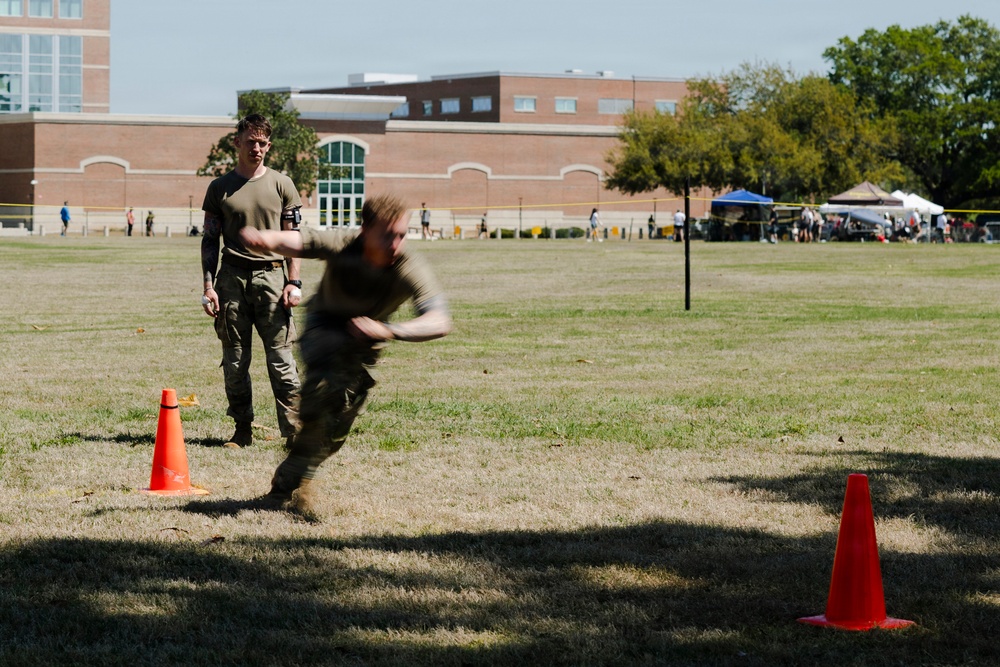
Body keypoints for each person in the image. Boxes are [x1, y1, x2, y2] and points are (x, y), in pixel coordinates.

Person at [239, 192, 452, 514]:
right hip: (324, 328)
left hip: (365, 342)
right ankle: (285, 485)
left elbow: (440, 321)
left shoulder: (408, 265)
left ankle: (298, 463)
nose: (395, 244)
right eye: (386, 236)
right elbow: (299, 241)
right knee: (327, 393)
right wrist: (262, 238)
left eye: (401, 235)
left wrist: (391, 331)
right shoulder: (344, 243)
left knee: (332, 432)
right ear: (365, 230)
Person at [200, 113, 303, 449]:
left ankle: (294, 433)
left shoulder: (282, 184)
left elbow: (293, 238)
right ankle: (242, 429)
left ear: (268, 146)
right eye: (250, 142)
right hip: (231, 280)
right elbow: (209, 239)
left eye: (262, 143)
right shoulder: (219, 188)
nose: (256, 148)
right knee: (234, 360)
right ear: (237, 143)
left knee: (281, 361)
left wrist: (294, 282)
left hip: (273, 279)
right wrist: (208, 286)